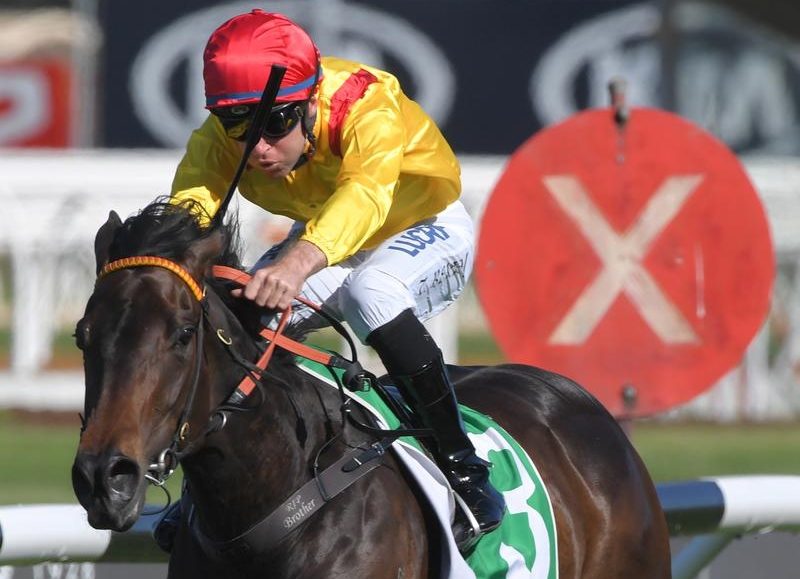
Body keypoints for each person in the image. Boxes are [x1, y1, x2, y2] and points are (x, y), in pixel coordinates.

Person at [162, 9, 505, 548]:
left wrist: (297, 263)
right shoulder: (222, 137)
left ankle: (462, 466)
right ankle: (198, 493)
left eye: (276, 123)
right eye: (238, 126)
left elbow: (365, 196)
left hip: (425, 225)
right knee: (235, 318)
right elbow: (189, 212)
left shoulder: (367, 103)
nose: (257, 147)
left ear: (310, 102)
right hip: (331, 237)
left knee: (372, 293)